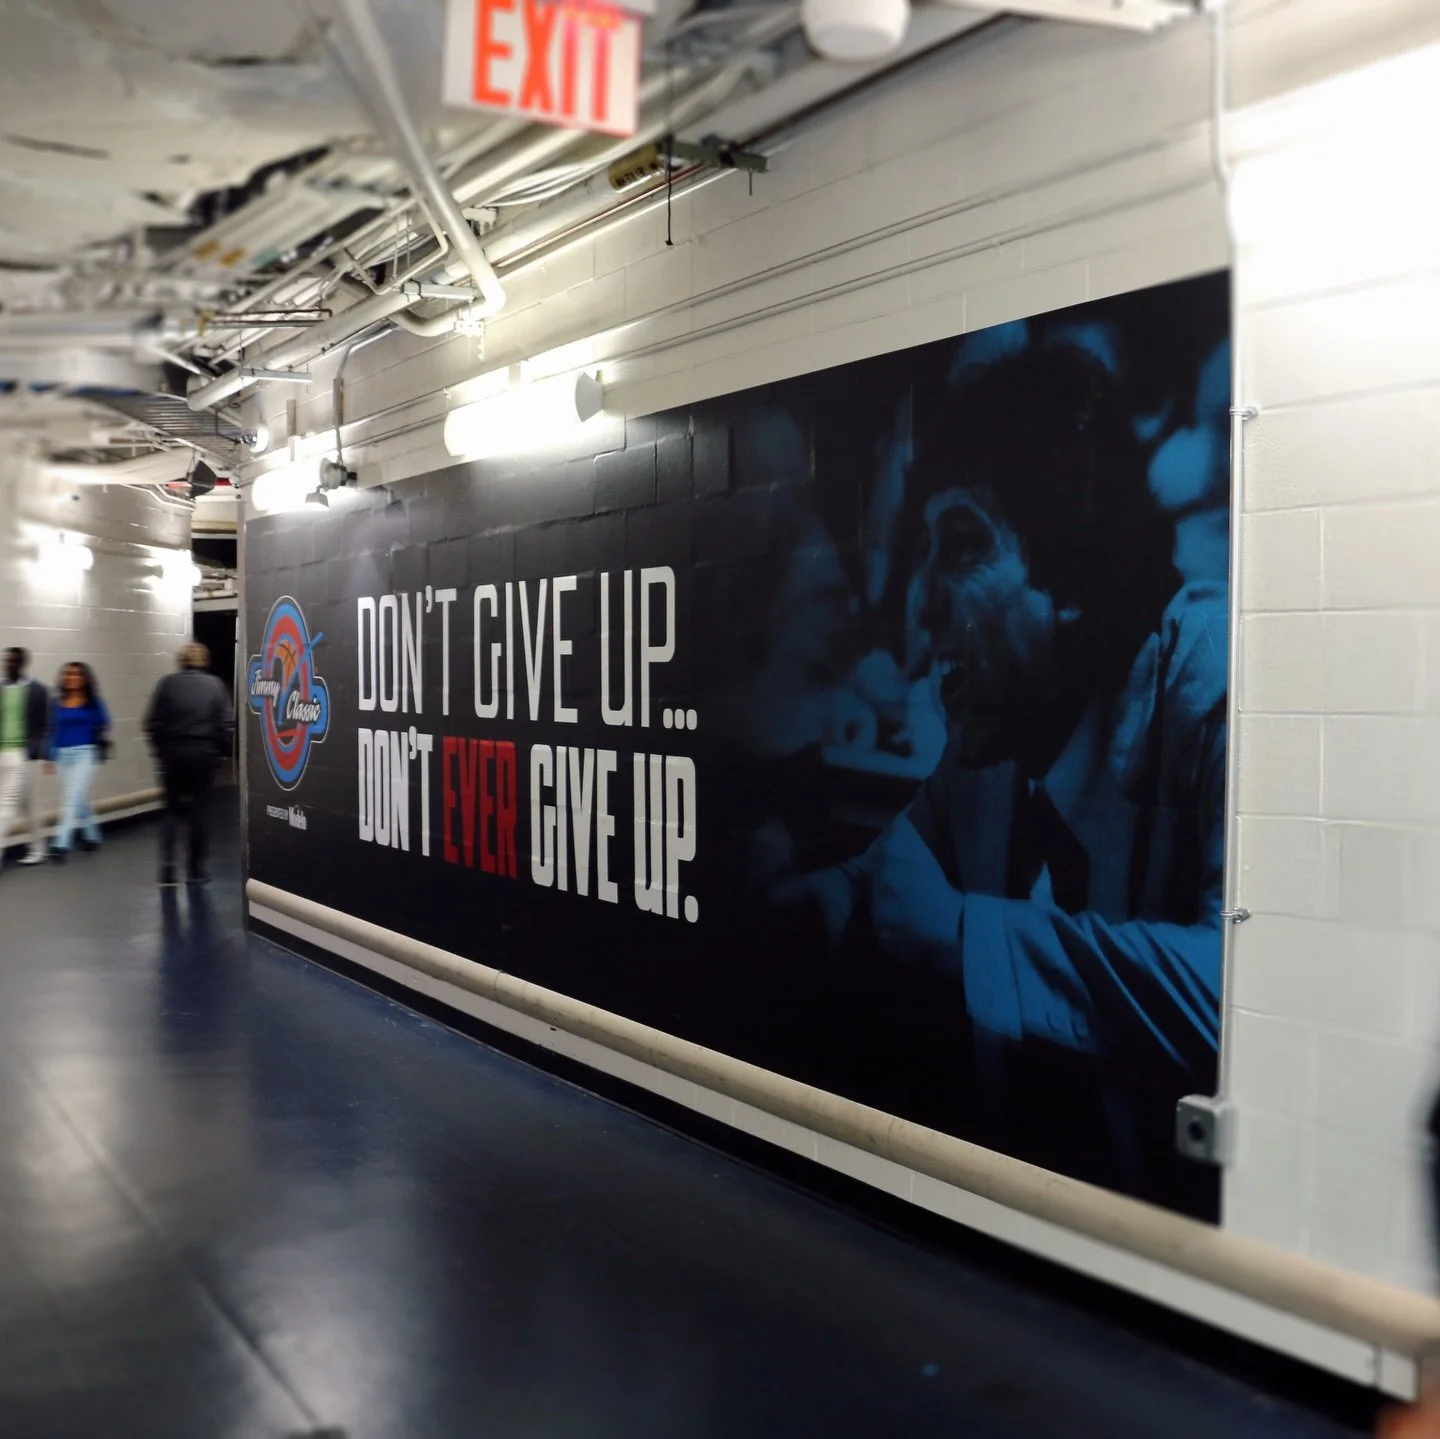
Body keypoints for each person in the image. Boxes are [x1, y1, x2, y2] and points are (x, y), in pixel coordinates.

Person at [774, 343, 1227, 1212]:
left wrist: (966, 939)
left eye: (961, 547)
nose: (920, 608)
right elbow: (884, 884)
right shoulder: (991, 749)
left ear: (1068, 567)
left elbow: (1243, 994)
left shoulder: (1206, 676)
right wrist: (810, 899)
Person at [144, 642, 234, 887]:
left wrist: (161, 751)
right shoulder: (216, 685)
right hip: (204, 754)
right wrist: (221, 752)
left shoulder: (167, 684)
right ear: (204, 661)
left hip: (173, 753)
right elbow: (226, 723)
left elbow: (152, 722)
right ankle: (196, 870)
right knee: (199, 812)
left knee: (171, 811)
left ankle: (167, 869)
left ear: (181, 660)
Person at [44, 661, 111, 862]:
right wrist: (49, 756)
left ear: (84, 678)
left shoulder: (93, 702)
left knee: (71, 798)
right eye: (69, 674)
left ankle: (60, 843)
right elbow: (51, 731)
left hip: (85, 753)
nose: (72, 678)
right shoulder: (55, 703)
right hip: (62, 755)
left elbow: (105, 723)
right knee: (78, 798)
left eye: (77, 674)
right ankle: (93, 836)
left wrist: (92, 733)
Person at [0, 646, 51, 874]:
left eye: (12, 660)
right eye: (5, 660)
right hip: (2, 753)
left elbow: (44, 725)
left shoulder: (38, 690)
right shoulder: (1, 688)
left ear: (22, 664)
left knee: (6, 804)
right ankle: (39, 849)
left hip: (21, 755)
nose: (7, 664)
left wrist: (37, 751)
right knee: (28, 804)